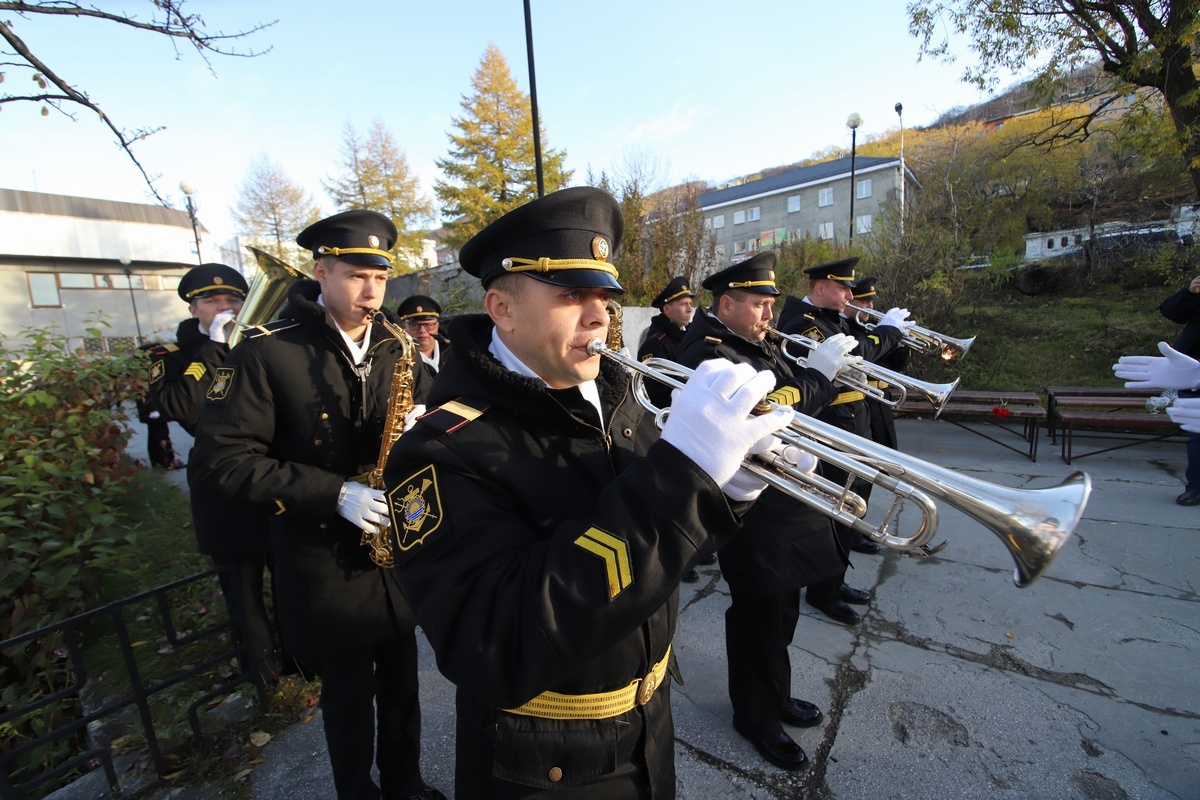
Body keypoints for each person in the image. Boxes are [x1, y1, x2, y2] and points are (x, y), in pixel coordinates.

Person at [381, 186, 794, 799]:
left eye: (603, 295)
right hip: (542, 765)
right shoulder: (442, 448)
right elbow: (494, 642)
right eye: (571, 294)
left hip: (649, 725)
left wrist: (725, 488)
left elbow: (665, 552)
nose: (599, 315)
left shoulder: (619, 397)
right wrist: (682, 475)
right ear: (502, 308)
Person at [189, 210, 443, 800]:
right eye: (356, 276)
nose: (372, 292)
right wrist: (334, 492)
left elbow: (431, 422)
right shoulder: (267, 352)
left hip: (392, 549)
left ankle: (406, 784)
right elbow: (221, 462)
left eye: (380, 278)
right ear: (319, 270)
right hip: (320, 554)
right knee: (348, 697)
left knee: (404, 684)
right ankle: (356, 790)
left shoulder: (395, 343)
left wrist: (424, 428)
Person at [676, 252, 862, 771]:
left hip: (785, 501)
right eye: (757, 304)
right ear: (727, 303)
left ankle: (774, 696)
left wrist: (813, 370)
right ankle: (756, 719)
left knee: (782, 611)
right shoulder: (708, 350)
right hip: (752, 510)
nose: (767, 314)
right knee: (759, 615)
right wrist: (819, 380)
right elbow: (769, 410)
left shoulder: (757, 341)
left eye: (769, 304)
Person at [144, 263, 287, 685]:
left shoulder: (267, 344)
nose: (225, 307)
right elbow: (182, 409)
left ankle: (303, 660)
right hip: (222, 491)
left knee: (290, 578)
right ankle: (263, 675)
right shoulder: (172, 357)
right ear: (194, 310)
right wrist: (214, 348)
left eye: (233, 300)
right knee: (242, 593)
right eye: (212, 301)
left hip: (272, 480)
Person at [776, 257, 912, 624]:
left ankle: (834, 581)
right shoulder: (801, 323)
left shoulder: (834, 319)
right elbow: (852, 358)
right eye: (843, 288)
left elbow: (880, 364)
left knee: (852, 510)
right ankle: (822, 590)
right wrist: (888, 332)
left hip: (856, 424)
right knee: (834, 512)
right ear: (820, 288)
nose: (851, 295)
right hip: (830, 427)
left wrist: (894, 338)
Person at [637, 275, 712, 583]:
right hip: (670, 425)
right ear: (666, 309)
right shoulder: (654, 343)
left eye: (690, 302)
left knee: (696, 491)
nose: (689, 308)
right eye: (683, 304)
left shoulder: (685, 336)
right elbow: (656, 387)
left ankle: (697, 547)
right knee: (674, 495)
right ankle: (680, 556)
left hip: (689, 423)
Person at [849, 276, 910, 451]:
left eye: (871, 301)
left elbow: (895, 366)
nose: (869, 306)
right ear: (848, 301)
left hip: (881, 399)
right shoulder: (844, 327)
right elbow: (862, 356)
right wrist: (885, 335)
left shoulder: (877, 326)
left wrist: (901, 344)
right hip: (861, 401)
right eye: (863, 301)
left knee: (888, 453)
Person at [397, 294, 449, 379]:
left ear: (437, 326)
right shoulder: (396, 358)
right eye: (415, 325)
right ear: (404, 327)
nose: (422, 331)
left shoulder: (452, 352)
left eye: (428, 325)